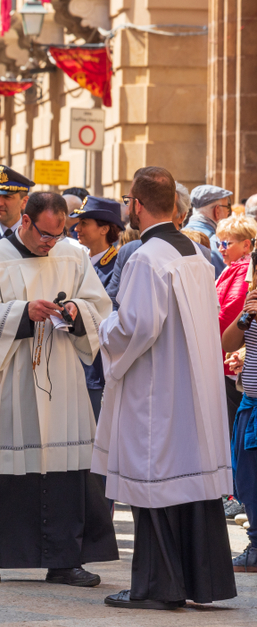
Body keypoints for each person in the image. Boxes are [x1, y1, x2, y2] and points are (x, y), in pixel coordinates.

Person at [0, 185, 118, 585]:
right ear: (25, 220)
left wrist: (76, 311)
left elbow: (99, 307)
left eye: (59, 235)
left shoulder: (73, 257)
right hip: (10, 378)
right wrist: (23, 313)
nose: (51, 243)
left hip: (60, 377)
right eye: (44, 234)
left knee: (64, 470)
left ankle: (65, 559)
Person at [94, 166, 236, 609]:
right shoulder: (194, 256)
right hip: (193, 388)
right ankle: (199, 583)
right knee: (189, 488)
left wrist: (103, 327)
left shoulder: (145, 257)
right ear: (175, 205)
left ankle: (157, 588)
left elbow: (137, 326)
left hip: (155, 392)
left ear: (135, 204)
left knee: (153, 484)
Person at [108, 182, 223, 307]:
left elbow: (204, 304)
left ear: (182, 216)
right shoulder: (129, 251)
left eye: (167, 211)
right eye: (158, 208)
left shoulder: (201, 253)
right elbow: (113, 303)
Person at [69, 196, 124, 419]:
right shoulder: (76, 261)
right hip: (72, 364)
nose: (77, 228)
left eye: (84, 223)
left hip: (97, 367)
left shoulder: (117, 266)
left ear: (104, 229)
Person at [221, 288, 257, 572]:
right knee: (249, 480)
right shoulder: (252, 305)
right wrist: (246, 315)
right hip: (250, 401)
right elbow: (228, 341)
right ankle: (255, 547)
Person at [215, 214, 257, 430]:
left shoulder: (244, 270)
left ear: (246, 244)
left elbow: (229, 315)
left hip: (231, 360)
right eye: (219, 242)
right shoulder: (233, 267)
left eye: (227, 243)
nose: (221, 248)